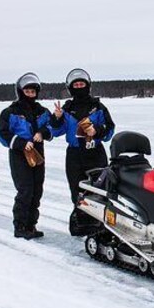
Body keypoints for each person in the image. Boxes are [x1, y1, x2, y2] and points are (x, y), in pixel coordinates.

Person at [50, 68, 116, 236]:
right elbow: (56, 131)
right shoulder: (67, 108)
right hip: (75, 154)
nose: (79, 87)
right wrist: (56, 118)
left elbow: (110, 130)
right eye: (76, 84)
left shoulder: (98, 107)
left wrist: (97, 130)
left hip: (95, 152)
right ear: (71, 88)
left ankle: (100, 225)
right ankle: (82, 224)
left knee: (100, 189)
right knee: (77, 190)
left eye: (82, 84)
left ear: (88, 86)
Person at [0, 72, 53, 239]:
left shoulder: (42, 111)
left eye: (33, 92)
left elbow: (52, 128)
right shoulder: (10, 112)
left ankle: (31, 225)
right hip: (19, 156)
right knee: (25, 190)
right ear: (21, 92)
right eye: (27, 91)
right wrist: (21, 143)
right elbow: (3, 134)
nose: (30, 94)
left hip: (38, 155)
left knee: (37, 190)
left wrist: (42, 133)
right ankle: (20, 226)